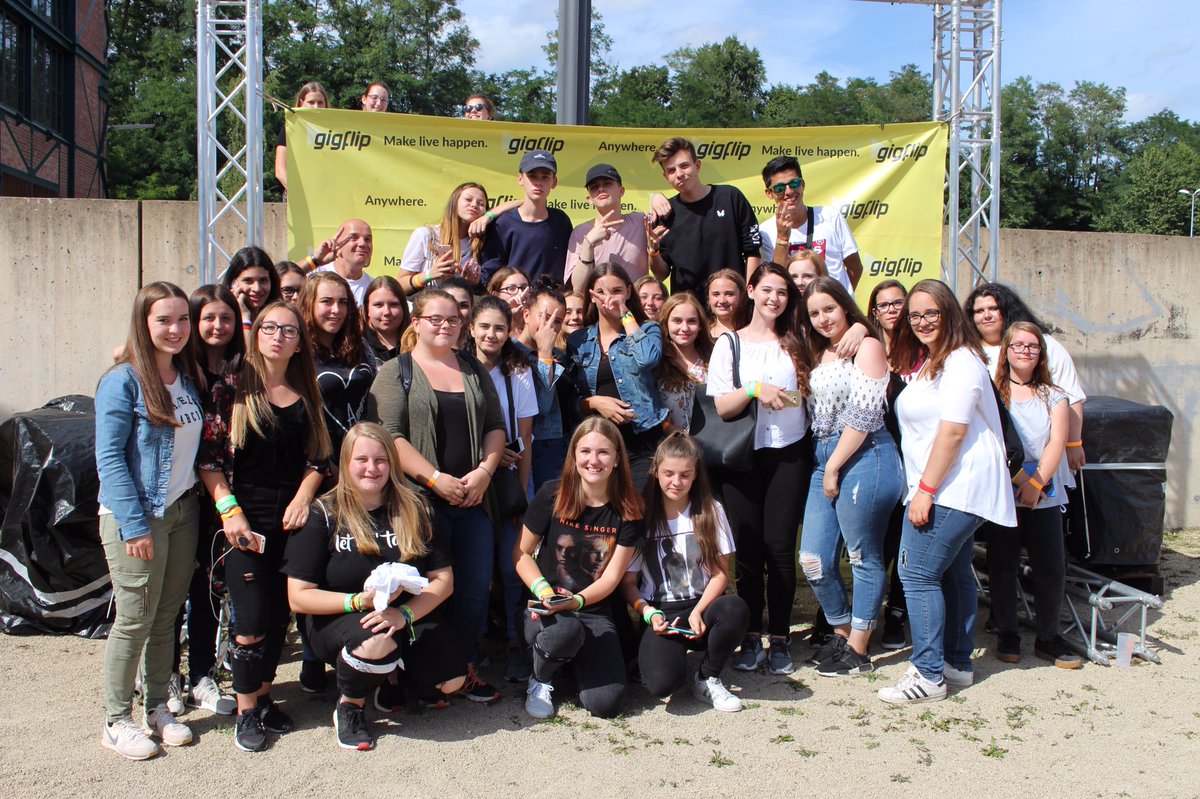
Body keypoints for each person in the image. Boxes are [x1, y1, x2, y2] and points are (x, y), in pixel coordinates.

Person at [283, 423, 467, 751]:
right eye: (362, 459)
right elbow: (298, 597)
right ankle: (350, 705)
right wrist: (359, 601)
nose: (372, 468)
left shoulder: (417, 507)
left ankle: (390, 680)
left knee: (452, 681)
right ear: (346, 462)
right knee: (376, 645)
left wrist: (405, 614)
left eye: (381, 460)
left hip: (401, 614)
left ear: (392, 464)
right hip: (342, 615)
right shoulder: (322, 513)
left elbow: (444, 581)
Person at [198, 301, 332, 750]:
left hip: (292, 522)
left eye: (289, 330)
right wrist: (230, 512)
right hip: (243, 522)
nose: (278, 335)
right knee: (250, 619)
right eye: (270, 327)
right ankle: (246, 712)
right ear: (256, 334)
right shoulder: (232, 388)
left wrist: (303, 496)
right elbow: (210, 461)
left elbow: (320, 460)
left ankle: (265, 696)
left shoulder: (307, 391)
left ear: (299, 343)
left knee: (279, 617)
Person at [877, 279, 1016, 705]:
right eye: (915, 315)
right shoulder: (935, 362)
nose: (921, 322)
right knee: (954, 574)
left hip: (955, 487)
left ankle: (929, 673)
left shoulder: (960, 362)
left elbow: (954, 432)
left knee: (916, 573)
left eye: (931, 313)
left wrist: (926, 490)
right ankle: (956, 663)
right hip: (949, 486)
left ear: (950, 313)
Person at [368, 288, 506, 704]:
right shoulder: (396, 372)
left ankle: (461, 667)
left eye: (453, 320)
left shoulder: (472, 369)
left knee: (474, 588)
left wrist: (484, 472)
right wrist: (434, 479)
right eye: (435, 319)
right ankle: (407, 675)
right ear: (416, 323)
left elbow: (496, 427)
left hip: (474, 502)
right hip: (419, 504)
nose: (445, 326)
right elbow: (388, 437)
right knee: (418, 591)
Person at [95, 282, 205, 760]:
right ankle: (116, 720)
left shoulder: (188, 374)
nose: (176, 329)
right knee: (135, 618)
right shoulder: (123, 381)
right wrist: (134, 524)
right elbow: (110, 459)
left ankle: (157, 707)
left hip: (184, 510)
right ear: (143, 322)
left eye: (182, 319)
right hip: (138, 515)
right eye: (164, 320)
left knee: (166, 615)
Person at [798, 278, 904, 676]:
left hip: (865, 454)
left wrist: (836, 466)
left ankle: (859, 649)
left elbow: (863, 416)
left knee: (862, 554)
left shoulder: (868, 345)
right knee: (813, 560)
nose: (823, 318)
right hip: (823, 455)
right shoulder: (816, 351)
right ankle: (843, 632)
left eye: (829, 308)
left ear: (845, 307)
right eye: (814, 313)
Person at [708, 263, 810, 676]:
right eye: (767, 290)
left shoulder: (798, 340)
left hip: (789, 452)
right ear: (750, 291)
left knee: (781, 548)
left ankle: (781, 637)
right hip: (743, 457)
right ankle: (750, 635)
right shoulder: (729, 344)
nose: (774, 298)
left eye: (783, 292)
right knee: (748, 549)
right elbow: (721, 407)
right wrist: (753, 389)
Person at [514, 417, 645, 719]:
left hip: (593, 610)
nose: (593, 460)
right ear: (574, 456)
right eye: (585, 451)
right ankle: (540, 679)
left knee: (607, 704)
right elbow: (520, 554)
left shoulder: (630, 510)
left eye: (603, 452)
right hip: (544, 606)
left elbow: (612, 578)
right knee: (566, 630)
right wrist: (545, 590)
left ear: (616, 459)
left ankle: (567, 664)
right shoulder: (552, 494)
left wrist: (577, 601)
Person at [620, 432, 749, 711]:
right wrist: (647, 613)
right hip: (660, 611)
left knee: (734, 609)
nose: (676, 482)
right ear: (655, 472)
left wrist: (698, 611)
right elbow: (628, 582)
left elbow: (720, 574)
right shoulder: (641, 515)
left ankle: (708, 676)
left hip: (700, 607)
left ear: (694, 475)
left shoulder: (710, 510)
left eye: (684, 475)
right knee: (661, 686)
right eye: (668, 473)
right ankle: (669, 657)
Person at [169, 285, 244, 718]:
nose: (218, 327)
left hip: (223, 499)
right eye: (209, 318)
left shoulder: (241, 373)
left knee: (209, 590)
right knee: (172, 593)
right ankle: (164, 680)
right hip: (183, 497)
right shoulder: (178, 372)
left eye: (227, 318)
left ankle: (202, 675)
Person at [989, 322, 1081, 669]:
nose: (1025, 351)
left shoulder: (1054, 395)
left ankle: (1048, 637)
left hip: (1045, 493)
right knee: (1002, 564)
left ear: (1040, 353)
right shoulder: (994, 392)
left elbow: (1057, 441)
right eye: (1018, 345)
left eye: (1032, 346)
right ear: (1006, 351)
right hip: (1004, 492)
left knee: (1051, 567)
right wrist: (1018, 480)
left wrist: (1036, 482)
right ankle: (1008, 633)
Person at [465, 296, 538, 683]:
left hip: (507, 482)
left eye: (500, 327)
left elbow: (525, 439)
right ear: (472, 327)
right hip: (467, 480)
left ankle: (516, 646)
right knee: (475, 572)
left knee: (512, 571)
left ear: (510, 330)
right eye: (485, 326)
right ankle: (472, 648)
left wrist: (523, 494)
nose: (492, 334)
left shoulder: (518, 370)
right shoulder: (456, 366)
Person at [964, 283, 1087, 473]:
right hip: (993, 464)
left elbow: (1072, 397)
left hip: (1044, 464)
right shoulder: (966, 354)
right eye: (979, 311)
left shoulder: (1045, 345)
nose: (986, 315)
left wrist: (1073, 443)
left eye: (993, 308)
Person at [567, 264, 668, 491]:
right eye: (601, 292)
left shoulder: (647, 329)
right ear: (591, 296)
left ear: (629, 293)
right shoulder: (578, 340)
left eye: (616, 291)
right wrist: (593, 403)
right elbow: (570, 399)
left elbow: (647, 359)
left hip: (641, 440)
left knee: (638, 509)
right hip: (597, 445)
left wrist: (625, 314)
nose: (608, 299)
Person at [649, 137, 761, 295]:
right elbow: (662, 274)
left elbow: (752, 252)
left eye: (684, 166)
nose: (679, 174)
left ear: (697, 165)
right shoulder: (665, 214)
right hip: (689, 314)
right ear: (666, 177)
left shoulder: (730, 197)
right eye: (671, 170)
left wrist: (750, 296)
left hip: (733, 306)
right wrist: (653, 250)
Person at [866, 278, 910, 650]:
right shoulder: (866, 347)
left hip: (916, 461)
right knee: (873, 543)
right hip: (877, 458)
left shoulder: (923, 350)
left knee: (904, 542)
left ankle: (896, 614)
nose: (892, 309)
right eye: (884, 304)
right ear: (874, 311)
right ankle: (857, 613)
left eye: (898, 302)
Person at [300, 271, 377, 461]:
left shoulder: (361, 346)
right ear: (310, 304)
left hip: (362, 460)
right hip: (318, 462)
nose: (336, 310)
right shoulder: (298, 350)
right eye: (327, 301)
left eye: (343, 302)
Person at [758, 156, 863, 292]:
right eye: (779, 188)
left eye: (794, 184)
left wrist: (842, 302)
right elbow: (776, 280)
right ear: (769, 193)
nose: (789, 192)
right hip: (796, 311)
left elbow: (855, 267)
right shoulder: (765, 232)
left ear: (803, 185)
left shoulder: (830, 216)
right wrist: (782, 239)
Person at [479, 149, 573, 285]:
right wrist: (476, 280)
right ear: (520, 179)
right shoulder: (504, 223)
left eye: (545, 177)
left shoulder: (561, 221)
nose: (538, 182)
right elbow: (491, 270)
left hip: (552, 302)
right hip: (515, 302)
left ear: (554, 182)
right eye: (532, 176)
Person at [514, 279, 571, 493]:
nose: (551, 327)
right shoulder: (510, 353)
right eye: (545, 317)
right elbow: (540, 406)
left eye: (558, 321)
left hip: (555, 447)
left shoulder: (561, 356)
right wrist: (544, 355)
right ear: (526, 314)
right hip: (526, 445)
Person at [564, 164, 652, 291]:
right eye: (594, 187)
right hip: (599, 308)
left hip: (634, 309)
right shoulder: (581, 232)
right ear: (589, 199)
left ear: (621, 191)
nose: (601, 189)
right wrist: (588, 244)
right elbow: (578, 288)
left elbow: (663, 213)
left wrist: (657, 198)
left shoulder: (640, 221)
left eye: (607, 184)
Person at [398, 182, 491, 293]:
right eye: (468, 199)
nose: (474, 205)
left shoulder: (481, 243)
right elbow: (400, 286)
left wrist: (472, 283)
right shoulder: (426, 235)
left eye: (481, 203)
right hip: (426, 307)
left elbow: (516, 203)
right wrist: (429, 274)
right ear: (454, 202)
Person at [655, 292, 713, 431]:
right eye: (677, 321)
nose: (685, 328)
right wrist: (667, 428)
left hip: (712, 443)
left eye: (692, 321)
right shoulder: (656, 360)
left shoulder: (713, 358)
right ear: (665, 323)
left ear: (700, 325)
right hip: (669, 445)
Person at [305, 218, 374, 306]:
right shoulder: (315, 275)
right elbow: (284, 278)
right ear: (338, 244)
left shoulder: (373, 288)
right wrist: (315, 260)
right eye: (353, 237)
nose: (362, 243)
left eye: (367, 239)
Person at [274, 81, 327, 193]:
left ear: (326, 104)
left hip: (327, 195)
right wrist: (298, 193)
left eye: (320, 102)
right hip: (297, 196)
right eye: (311, 102)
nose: (316, 107)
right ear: (302, 103)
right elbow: (279, 170)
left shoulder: (334, 130)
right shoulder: (290, 128)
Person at [222, 246, 282, 336]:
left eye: (263, 280)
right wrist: (245, 317)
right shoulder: (222, 321)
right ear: (233, 283)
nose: (257, 288)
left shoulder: (281, 318)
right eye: (248, 280)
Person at [362, 275, 409, 366]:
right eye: (378, 305)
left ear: (403, 307)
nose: (387, 312)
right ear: (367, 310)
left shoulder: (418, 343)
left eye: (393, 304)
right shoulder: (356, 345)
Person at [486, 265, 533, 340]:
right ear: (496, 295)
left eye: (524, 288)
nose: (520, 293)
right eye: (511, 288)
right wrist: (506, 313)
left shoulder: (536, 324)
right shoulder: (487, 325)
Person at [705, 269, 750, 339]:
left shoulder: (751, 334)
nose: (722, 300)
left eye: (729, 294)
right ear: (708, 299)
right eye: (716, 294)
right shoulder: (701, 335)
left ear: (742, 297)